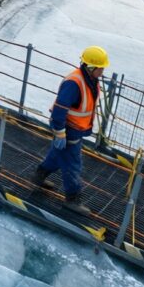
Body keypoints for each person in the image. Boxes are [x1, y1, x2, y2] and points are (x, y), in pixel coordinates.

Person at [31, 45, 110, 215]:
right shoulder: (75, 83)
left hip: (76, 128)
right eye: (101, 67)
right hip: (68, 128)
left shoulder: (90, 80)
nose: (103, 71)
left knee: (57, 154)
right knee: (73, 164)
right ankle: (72, 199)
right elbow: (60, 108)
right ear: (91, 67)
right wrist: (60, 132)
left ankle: (39, 175)